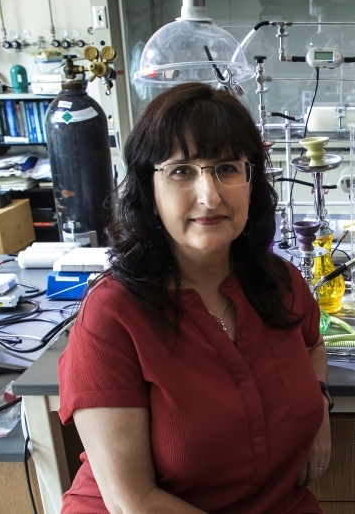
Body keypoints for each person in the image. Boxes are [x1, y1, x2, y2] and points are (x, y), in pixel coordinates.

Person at [57, 82, 331, 513]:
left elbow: (313, 344)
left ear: (251, 179)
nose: (210, 195)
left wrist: (319, 409)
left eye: (226, 168)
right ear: (149, 190)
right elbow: (135, 502)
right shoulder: (112, 317)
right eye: (181, 170)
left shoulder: (279, 282)